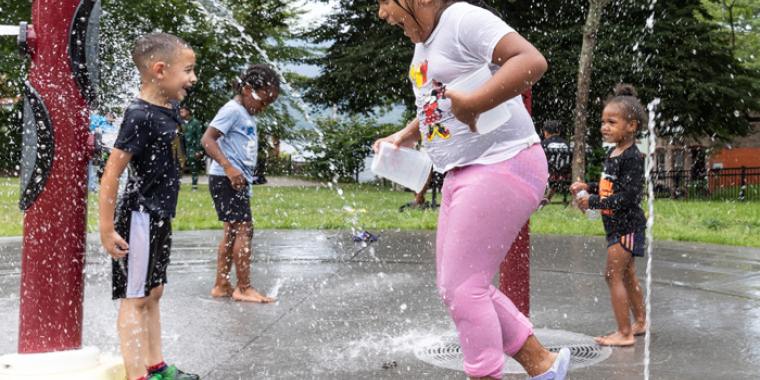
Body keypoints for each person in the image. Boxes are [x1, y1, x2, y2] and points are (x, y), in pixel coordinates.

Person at [374, 1, 571, 379]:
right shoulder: (425, 41)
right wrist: (405, 135)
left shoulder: (462, 19)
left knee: (465, 289)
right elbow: (438, 103)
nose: (382, 13)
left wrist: (478, 104)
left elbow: (532, 60)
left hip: (503, 162)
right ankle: (544, 366)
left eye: (385, 1)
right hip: (463, 171)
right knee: (455, 288)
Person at [98, 32, 199, 380]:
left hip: (158, 215)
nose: (193, 78)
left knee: (154, 292)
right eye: (187, 70)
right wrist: (107, 227)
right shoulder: (139, 115)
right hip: (139, 217)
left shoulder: (167, 108)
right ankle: (137, 374)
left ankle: (156, 366)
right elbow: (111, 174)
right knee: (135, 297)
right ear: (159, 70)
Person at [571, 84, 649, 346]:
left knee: (612, 275)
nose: (605, 127)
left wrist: (593, 200)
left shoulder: (632, 157)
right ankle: (639, 322)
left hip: (626, 227)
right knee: (627, 275)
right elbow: (611, 187)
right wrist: (589, 188)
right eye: (603, 122)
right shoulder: (613, 152)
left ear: (631, 126)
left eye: (612, 122)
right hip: (618, 226)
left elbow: (629, 197)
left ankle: (625, 334)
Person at [201, 64, 279, 303]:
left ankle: (222, 284)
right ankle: (243, 288)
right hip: (227, 178)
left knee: (233, 231)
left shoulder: (242, 112)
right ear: (247, 89)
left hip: (232, 179)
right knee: (244, 229)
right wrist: (228, 166)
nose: (263, 108)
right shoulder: (232, 110)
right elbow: (207, 139)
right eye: (263, 102)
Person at [538, 120, 571, 208]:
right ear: (559, 132)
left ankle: (537, 199)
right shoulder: (566, 144)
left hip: (548, 175)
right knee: (556, 171)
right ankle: (547, 197)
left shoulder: (543, 144)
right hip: (564, 176)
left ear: (546, 132)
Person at [89, 108, 117, 192]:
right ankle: (93, 187)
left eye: (110, 115)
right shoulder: (101, 124)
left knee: (108, 169)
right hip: (101, 150)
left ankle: (106, 186)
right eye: (107, 115)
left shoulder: (114, 127)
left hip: (111, 151)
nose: (109, 116)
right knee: (96, 168)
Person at [180, 106, 204, 190]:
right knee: (179, 165)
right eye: (180, 112)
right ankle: (177, 184)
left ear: (188, 112)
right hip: (181, 147)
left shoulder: (195, 123)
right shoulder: (180, 122)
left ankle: (194, 185)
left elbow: (199, 137)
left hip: (192, 147)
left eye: (183, 111)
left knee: (193, 165)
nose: (181, 113)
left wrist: (198, 150)